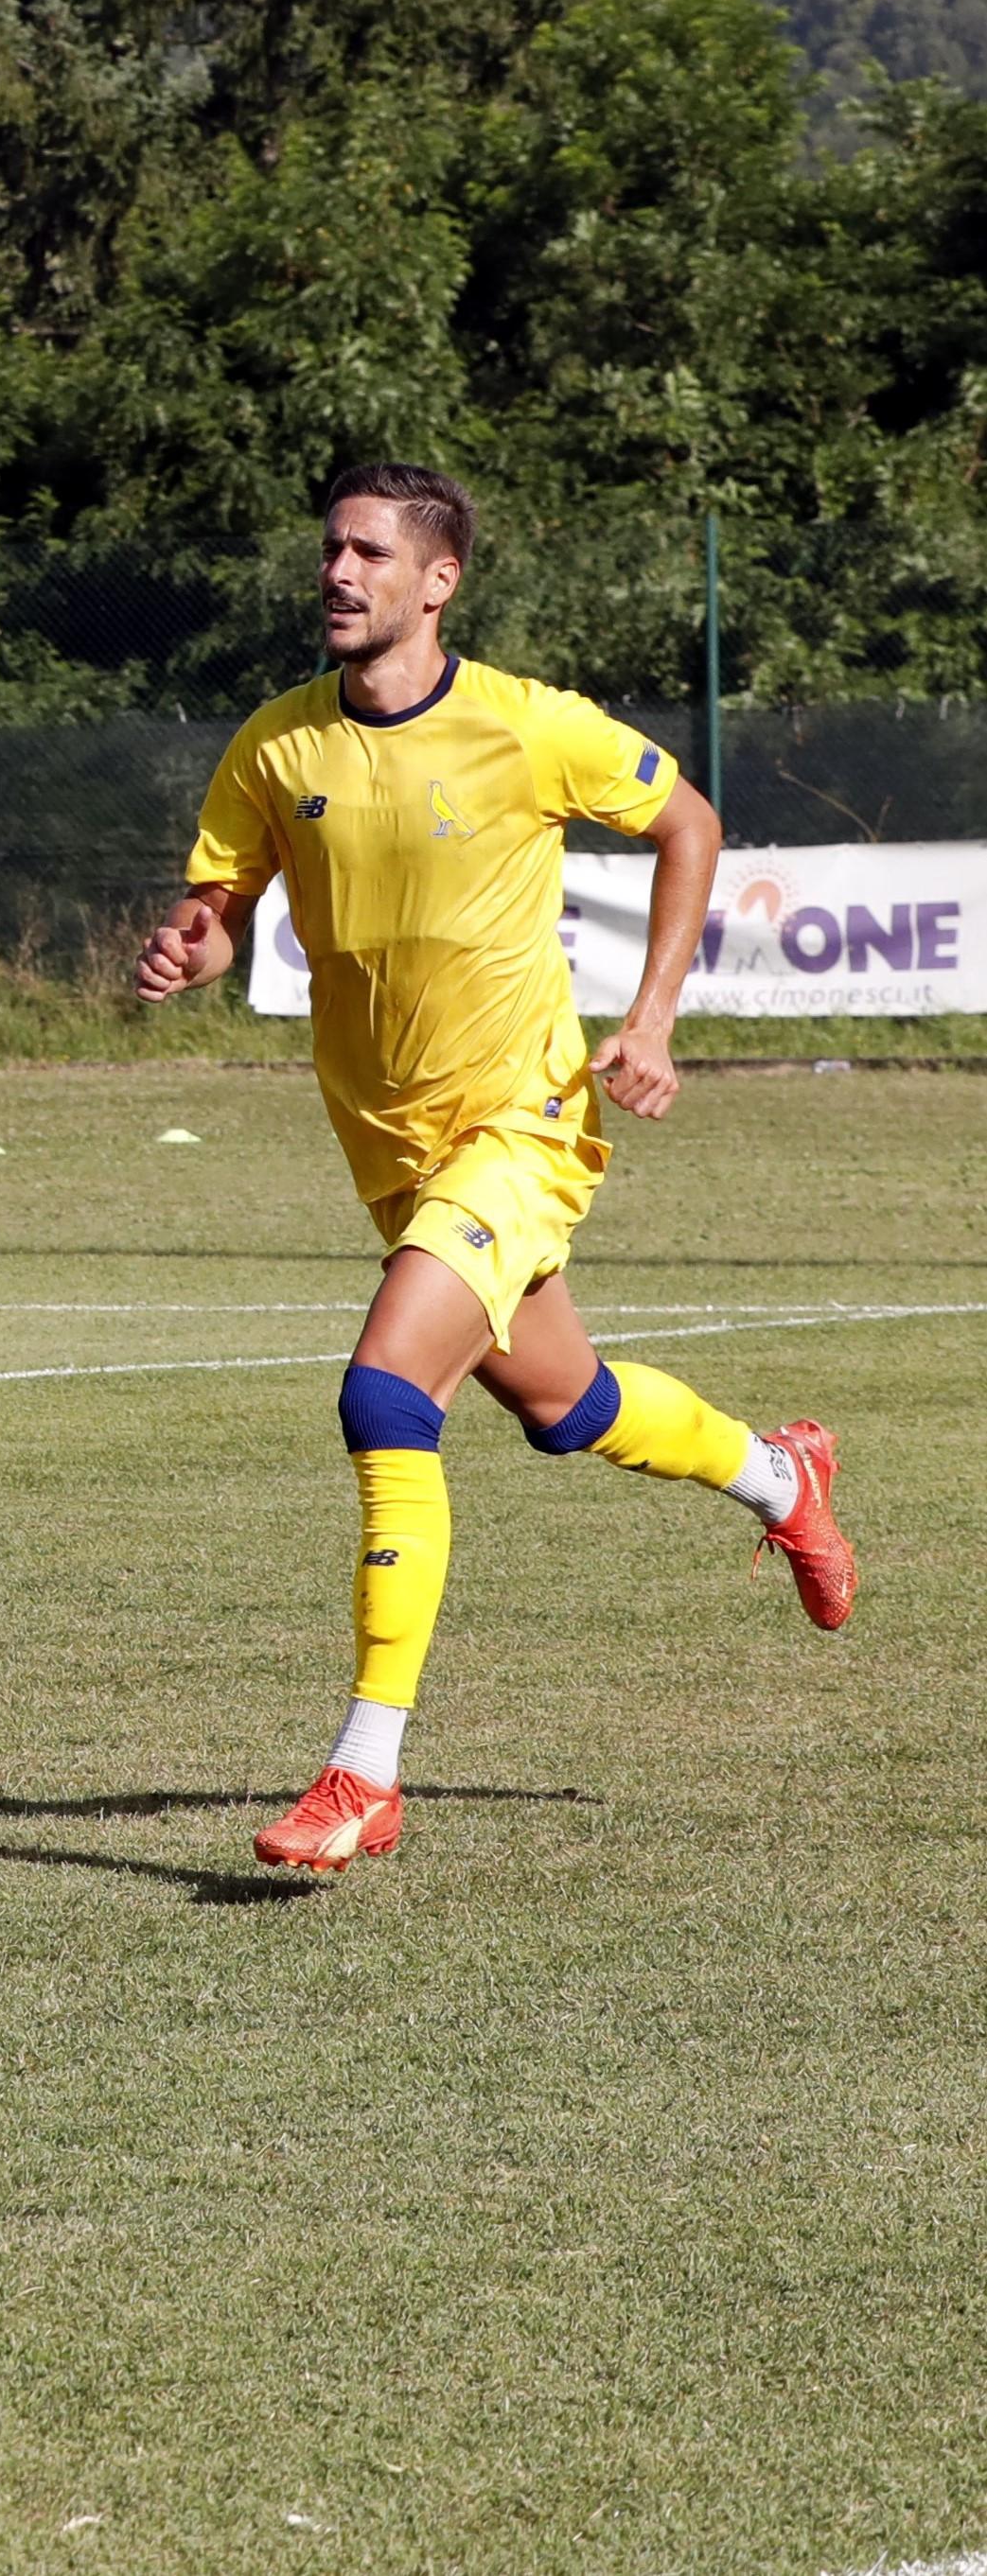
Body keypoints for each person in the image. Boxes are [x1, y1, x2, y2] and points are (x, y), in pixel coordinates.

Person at [132, 464, 849, 1874]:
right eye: (329, 549)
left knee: (385, 1390)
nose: (336, 573)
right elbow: (223, 908)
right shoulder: (276, 746)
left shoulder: (526, 726)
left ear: (435, 581)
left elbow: (687, 823)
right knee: (567, 1406)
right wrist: (188, 947)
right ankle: (779, 1478)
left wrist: (647, 1020)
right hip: (388, 1147)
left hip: (518, 1127)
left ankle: (362, 1771)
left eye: (366, 553)